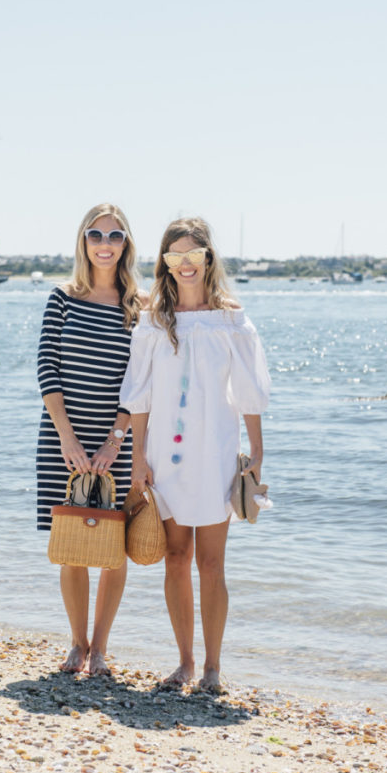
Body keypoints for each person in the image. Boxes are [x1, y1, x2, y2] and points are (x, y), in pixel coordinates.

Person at [120, 217, 271, 691]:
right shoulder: (153, 320)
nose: (184, 265)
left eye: (193, 255)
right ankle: (184, 662)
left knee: (212, 563)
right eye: (174, 257)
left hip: (216, 453)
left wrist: (257, 455)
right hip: (165, 457)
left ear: (207, 258)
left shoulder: (231, 319)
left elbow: (248, 393)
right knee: (175, 557)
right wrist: (138, 459)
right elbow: (140, 396)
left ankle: (212, 668)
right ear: (164, 263)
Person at [36, 204, 143, 675]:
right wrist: (68, 439)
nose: (105, 243)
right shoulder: (61, 297)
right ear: (83, 241)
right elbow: (47, 369)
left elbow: (139, 384)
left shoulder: (138, 306)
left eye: (114, 235)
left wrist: (115, 440)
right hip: (63, 440)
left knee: (113, 549)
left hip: (114, 444)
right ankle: (77, 645)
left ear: (125, 244)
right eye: (96, 234)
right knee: (72, 544)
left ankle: (100, 648)